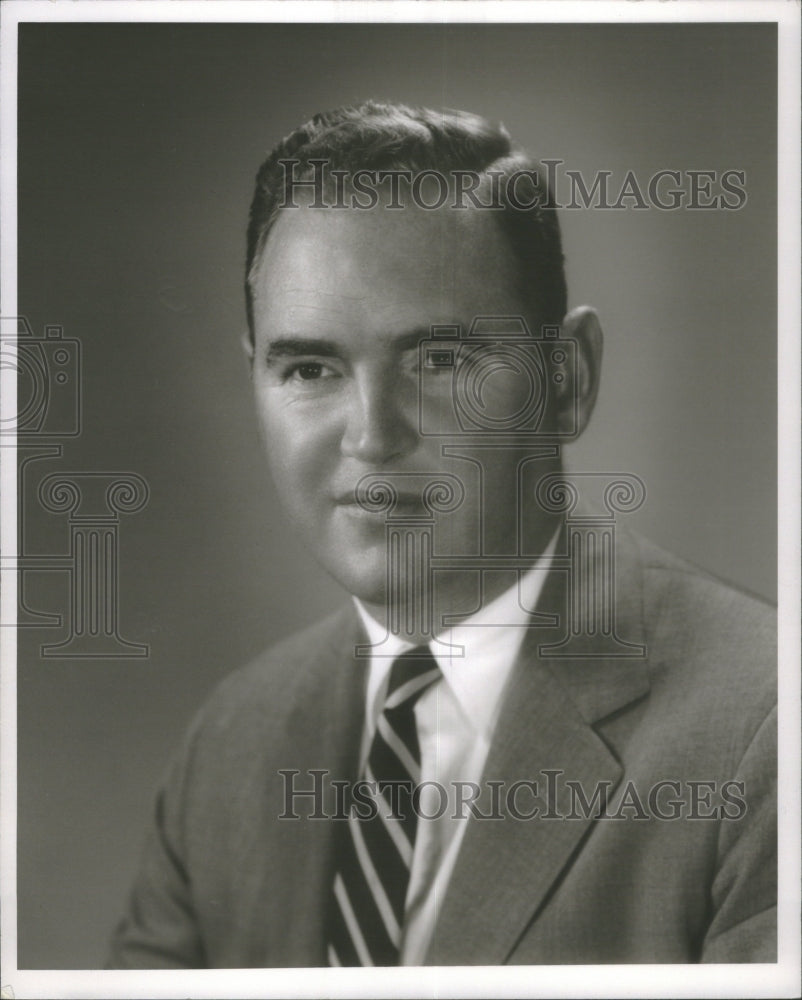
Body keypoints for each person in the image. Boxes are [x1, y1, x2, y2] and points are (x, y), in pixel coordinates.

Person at [107, 102, 776, 967]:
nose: (372, 435)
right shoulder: (232, 744)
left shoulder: (761, 738)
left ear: (566, 382)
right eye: (311, 369)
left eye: (441, 361)